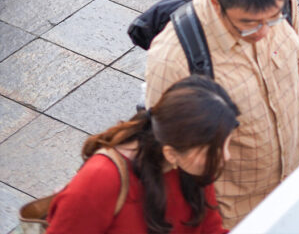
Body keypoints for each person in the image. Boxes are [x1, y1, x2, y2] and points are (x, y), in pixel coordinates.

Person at [146, 0, 299, 230]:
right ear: (216, 2)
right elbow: (169, 152)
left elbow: (297, 60)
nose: (263, 32)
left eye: (273, 20)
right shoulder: (173, 57)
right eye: (249, 23)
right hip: (237, 214)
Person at [45, 75, 239, 233]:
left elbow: (210, 229)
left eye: (226, 144)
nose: (226, 155)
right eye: (214, 149)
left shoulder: (192, 163)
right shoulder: (100, 179)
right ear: (170, 154)